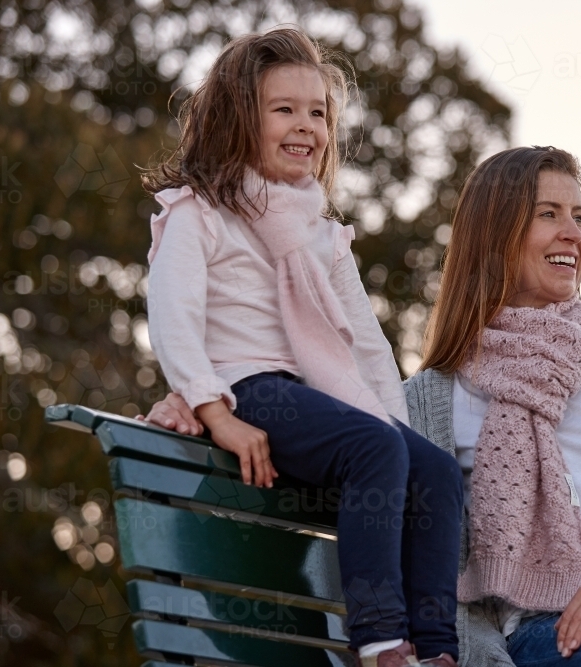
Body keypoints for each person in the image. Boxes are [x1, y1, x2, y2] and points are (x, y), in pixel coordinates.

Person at [144, 146, 581, 667]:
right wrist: (204, 399)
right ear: (495, 234)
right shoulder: (427, 400)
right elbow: (319, 414)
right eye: (549, 214)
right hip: (550, 635)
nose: (574, 235)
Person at [139, 27, 461, 667]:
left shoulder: (321, 232)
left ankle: (437, 651)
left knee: (438, 472)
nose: (306, 125)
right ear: (237, 119)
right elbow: (172, 318)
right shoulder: (197, 212)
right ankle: (379, 641)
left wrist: (390, 420)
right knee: (374, 448)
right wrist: (216, 413)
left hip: (311, 395)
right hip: (246, 387)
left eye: (318, 112)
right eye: (283, 109)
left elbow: (366, 344)